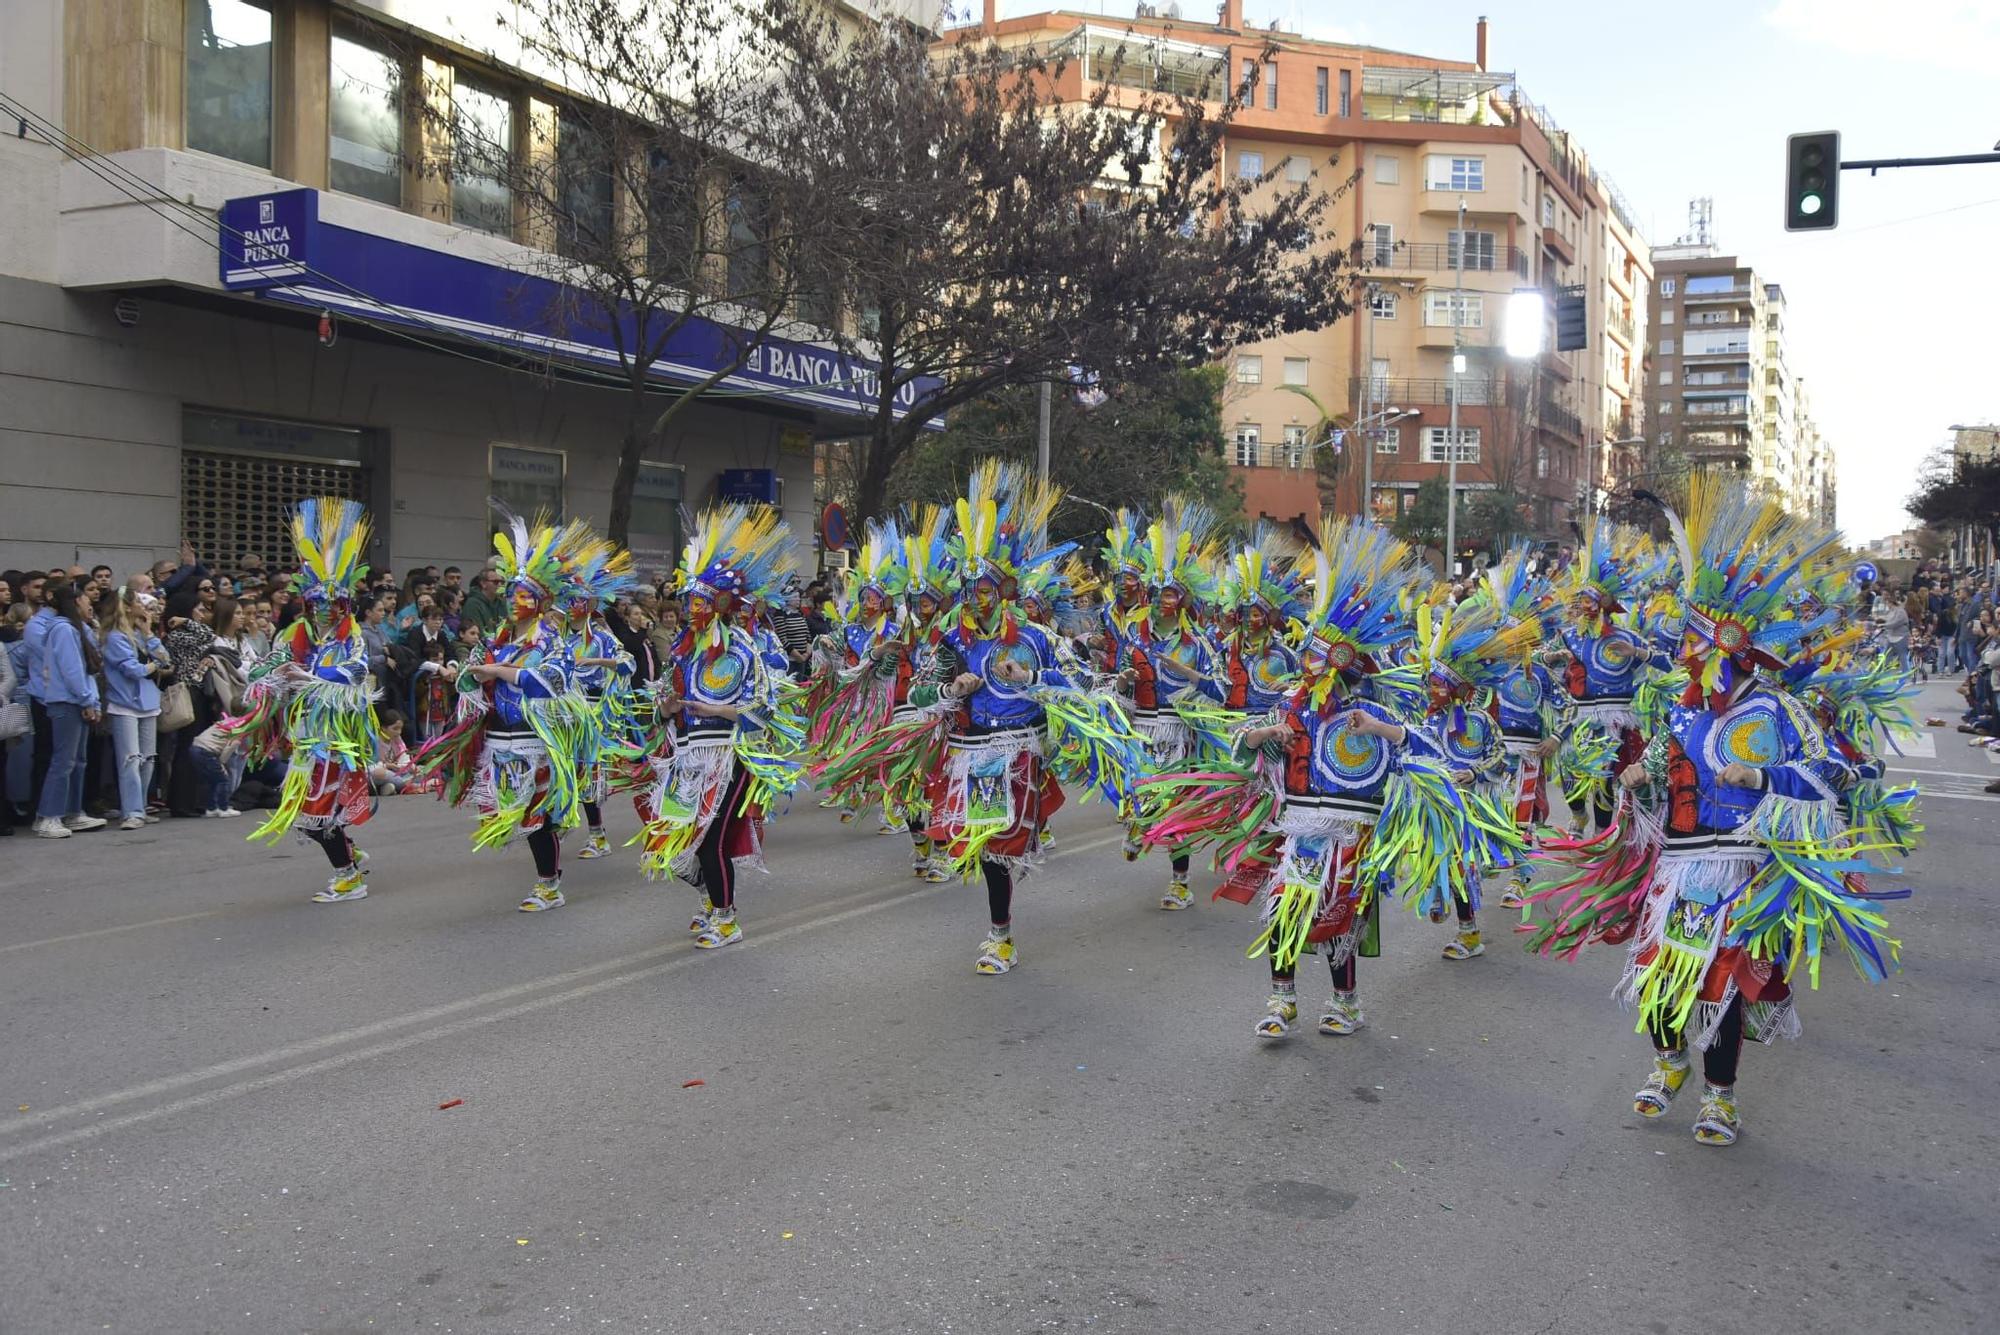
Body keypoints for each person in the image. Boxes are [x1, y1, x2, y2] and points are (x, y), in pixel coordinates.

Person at [1529, 477, 1909, 1148]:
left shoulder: (1776, 709)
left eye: (1701, 650)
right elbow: (1660, 783)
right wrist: (1639, 777)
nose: (1690, 660)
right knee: (1660, 975)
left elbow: (1832, 772)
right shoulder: (1682, 709)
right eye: (1688, 649)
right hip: (1678, 864)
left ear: (1730, 648)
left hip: (1742, 864)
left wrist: (1762, 772)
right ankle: (1670, 1060)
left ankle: (1720, 1097)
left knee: (1723, 983)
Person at [634, 503, 800, 947]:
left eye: (699, 601)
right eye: (688, 601)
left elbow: (762, 708)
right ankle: (711, 897)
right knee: (674, 845)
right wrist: (668, 708)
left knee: (710, 842)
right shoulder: (685, 652)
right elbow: (667, 708)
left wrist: (716, 711)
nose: (690, 609)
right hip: (688, 758)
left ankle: (726, 918)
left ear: (722, 603)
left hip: (730, 756)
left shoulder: (744, 649)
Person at [416, 512, 585, 913]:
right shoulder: (498, 641)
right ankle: (550, 862)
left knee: (534, 817)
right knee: (510, 813)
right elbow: (470, 682)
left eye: (522, 595)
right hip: (498, 742)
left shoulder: (551, 643)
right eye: (510, 594)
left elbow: (553, 682)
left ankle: (549, 884)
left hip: (533, 741)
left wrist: (498, 672)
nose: (513, 600)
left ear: (540, 602)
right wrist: (469, 677)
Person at [227, 499, 382, 903]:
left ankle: (349, 877)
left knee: (316, 816)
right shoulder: (296, 637)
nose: (326, 611)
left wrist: (310, 678)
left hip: (334, 742)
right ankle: (347, 856)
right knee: (306, 813)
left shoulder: (352, 639)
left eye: (335, 604)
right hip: (304, 739)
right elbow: (266, 669)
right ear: (307, 603)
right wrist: (272, 679)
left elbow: (356, 672)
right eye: (319, 603)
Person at [29, 583, 105, 837]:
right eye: (86, 600)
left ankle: (72, 812)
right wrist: (86, 700)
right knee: (63, 761)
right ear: (74, 602)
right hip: (67, 701)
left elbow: (86, 672)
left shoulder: (76, 629)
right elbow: (71, 670)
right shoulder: (63, 629)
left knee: (78, 761)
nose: (90, 604)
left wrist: (91, 702)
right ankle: (49, 816)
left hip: (78, 700)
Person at [101, 589, 168, 830]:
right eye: (139, 601)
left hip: (148, 703)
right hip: (124, 703)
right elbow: (132, 670)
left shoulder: (141, 635)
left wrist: (149, 633)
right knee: (130, 759)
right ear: (127, 607)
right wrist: (154, 664)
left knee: (147, 759)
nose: (145, 606)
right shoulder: (115, 637)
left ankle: (140, 805)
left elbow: (165, 658)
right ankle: (131, 811)